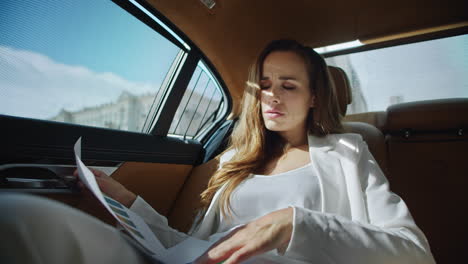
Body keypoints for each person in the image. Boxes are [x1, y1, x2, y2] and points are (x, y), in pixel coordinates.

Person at [0, 39, 436, 264]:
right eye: (264, 86)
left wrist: (292, 225)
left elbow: (414, 254)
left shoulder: (348, 151)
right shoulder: (232, 162)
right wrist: (125, 198)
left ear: (316, 97)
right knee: (22, 218)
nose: (272, 97)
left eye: (288, 86)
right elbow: (193, 247)